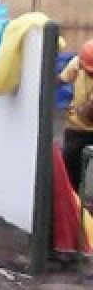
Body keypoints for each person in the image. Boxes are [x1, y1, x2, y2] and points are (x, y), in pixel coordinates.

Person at [58, 40, 93, 193]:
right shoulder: (77, 64)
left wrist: (78, 109)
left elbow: (89, 113)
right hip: (76, 128)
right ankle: (72, 203)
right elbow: (60, 80)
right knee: (70, 169)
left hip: (89, 124)